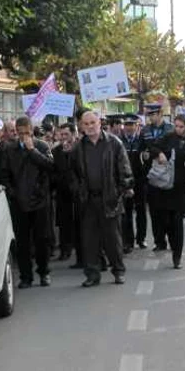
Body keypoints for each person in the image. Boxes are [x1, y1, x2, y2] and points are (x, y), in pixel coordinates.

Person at [70, 111, 133, 287]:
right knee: (89, 241)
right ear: (81, 126)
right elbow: (71, 174)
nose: (90, 126)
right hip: (88, 200)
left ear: (100, 123)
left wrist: (118, 192)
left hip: (110, 200)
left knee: (113, 239)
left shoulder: (114, 144)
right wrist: (78, 191)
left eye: (93, 123)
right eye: (86, 124)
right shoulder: (78, 148)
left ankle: (118, 271)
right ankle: (92, 274)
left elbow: (126, 172)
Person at [4, 117, 54, 289]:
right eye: (20, 133)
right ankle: (26, 276)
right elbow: (6, 175)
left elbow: (50, 166)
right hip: (19, 202)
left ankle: (44, 272)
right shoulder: (10, 149)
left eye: (26, 133)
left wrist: (32, 151)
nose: (24, 136)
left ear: (32, 131)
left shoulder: (42, 146)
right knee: (23, 242)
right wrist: (13, 193)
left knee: (42, 239)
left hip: (39, 201)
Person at [149, 114, 185, 269]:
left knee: (177, 223)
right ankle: (168, 242)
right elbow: (152, 147)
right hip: (165, 187)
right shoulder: (168, 138)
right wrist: (159, 153)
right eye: (176, 126)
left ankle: (177, 257)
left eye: (181, 127)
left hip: (181, 188)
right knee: (166, 221)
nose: (178, 129)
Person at [139, 104, 173, 251]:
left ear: (160, 113)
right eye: (149, 115)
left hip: (166, 173)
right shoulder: (145, 130)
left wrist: (157, 152)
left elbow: (171, 149)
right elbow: (141, 148)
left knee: (167, 210)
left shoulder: (170, 129)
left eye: (153, 114)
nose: (151, 117)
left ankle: (170, 238)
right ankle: (159, 241)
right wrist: (145, 154)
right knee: (154, 211)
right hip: (151, 174)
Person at [52, 123, 82, 265]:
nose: (64, 138)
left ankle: (81, 255)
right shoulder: (56, 151)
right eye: (61, 135)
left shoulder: (79, 149)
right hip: (62, 192)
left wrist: (70, 154)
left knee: (80, 223)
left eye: (66, 134)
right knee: (64, 223)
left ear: (73, 135)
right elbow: (54, 171)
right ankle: (65, 250)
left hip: (78, 192)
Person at [120, 114, 147, 251]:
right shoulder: (119, 141)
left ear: (137, 126)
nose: (129, 128)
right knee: (127, 212)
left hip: (140, 181)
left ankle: (141, 239)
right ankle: (128, 241)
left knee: (141, 211)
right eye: (127, 125)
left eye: (132, 125)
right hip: (125, 182)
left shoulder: (142, 141)